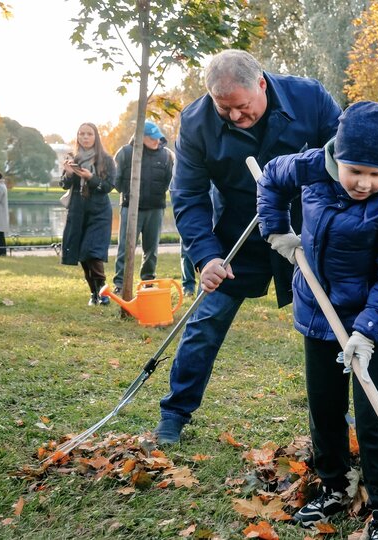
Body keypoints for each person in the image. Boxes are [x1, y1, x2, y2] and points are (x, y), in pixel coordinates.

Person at [155, 49, 341, 445]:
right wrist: (205, 256)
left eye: (241, 107)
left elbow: (343, 159)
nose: (235, 117)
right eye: (225, 110)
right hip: (238, 236)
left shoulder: (310, 98)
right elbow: (188, 195)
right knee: (206, 322)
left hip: (306, 229)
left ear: (262, 83)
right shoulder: (194, 122)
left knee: (332, 324)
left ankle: (337, 420)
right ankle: (174, 413)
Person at [257, 101, 378, 538]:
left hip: (375, 321)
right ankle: (334, 484)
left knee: (373, 412)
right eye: (355, 172)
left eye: (375, 173)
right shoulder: (313, 166)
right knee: (325, 405)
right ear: (336, 158)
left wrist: (367, 333)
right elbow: (271, 178)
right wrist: (276, 229)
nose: (365, 183)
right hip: (318, 308)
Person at [111, 121, 174, 295]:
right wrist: (128, 195)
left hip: (155, 209)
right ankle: (120, 283)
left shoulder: (166, 156)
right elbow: (116, 179)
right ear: (141, 137)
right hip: (130, 208)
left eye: (158, 138)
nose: (156, 141)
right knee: (125, 246)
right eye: (151, 138)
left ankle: (147, 281)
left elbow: (169, 180)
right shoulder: (126, 153)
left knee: (151, 249)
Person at [60, 122, 117, 305]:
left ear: (96, 137)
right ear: (77, 136)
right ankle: (94, 293)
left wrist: (90, 178)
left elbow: (108, 187)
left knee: (93, 252)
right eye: (81, 134)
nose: (85, 137)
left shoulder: (106, 159)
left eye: (89, 134)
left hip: (99, 211)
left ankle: (104, 293)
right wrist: (69, 174)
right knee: (82, 254)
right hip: (78, 211)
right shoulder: (72, 158)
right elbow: (64, 185)